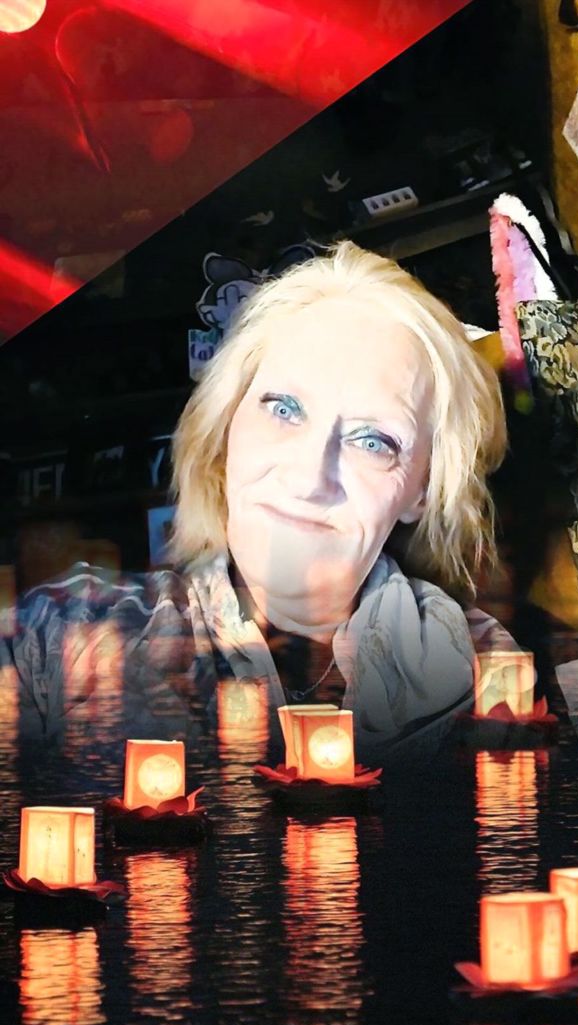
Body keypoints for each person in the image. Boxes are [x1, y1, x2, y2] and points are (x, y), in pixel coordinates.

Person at [0, 241, 509, 762]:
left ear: (423, 490)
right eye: (283, 409)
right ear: (226, 426)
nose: (308, 479)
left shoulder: (490, 668)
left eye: (373, 441)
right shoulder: (59, 635)